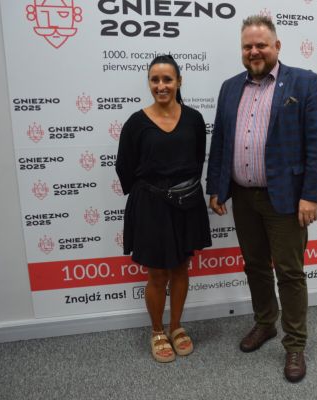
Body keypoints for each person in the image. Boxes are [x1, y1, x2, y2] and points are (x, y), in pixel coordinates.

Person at [206, 15, 317, 382]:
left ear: (277, 46)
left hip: (287, 200)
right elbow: (221, 141)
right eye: (248, 46)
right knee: (255, 266)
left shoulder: (304, 82)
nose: (254, 51)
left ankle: (295, 344)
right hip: (243, 197)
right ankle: (265, 323)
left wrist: (311, 196)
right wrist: (217, 187)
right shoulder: (230, 87)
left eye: (261, 44)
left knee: (289, 273)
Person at [116, 55, 211, 363]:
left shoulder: (194, 119)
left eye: (167, 79)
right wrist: (152, 193)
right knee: (157, 274)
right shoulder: (135, 123)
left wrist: (180, 190)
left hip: (185, 203)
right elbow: (124, 167)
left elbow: (197, 161)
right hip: (150, 206)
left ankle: (176, 326)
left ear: (179, 82)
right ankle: (157, 331)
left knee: (181, 267)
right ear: (149, 83)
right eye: (155, 80)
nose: (161, 86)